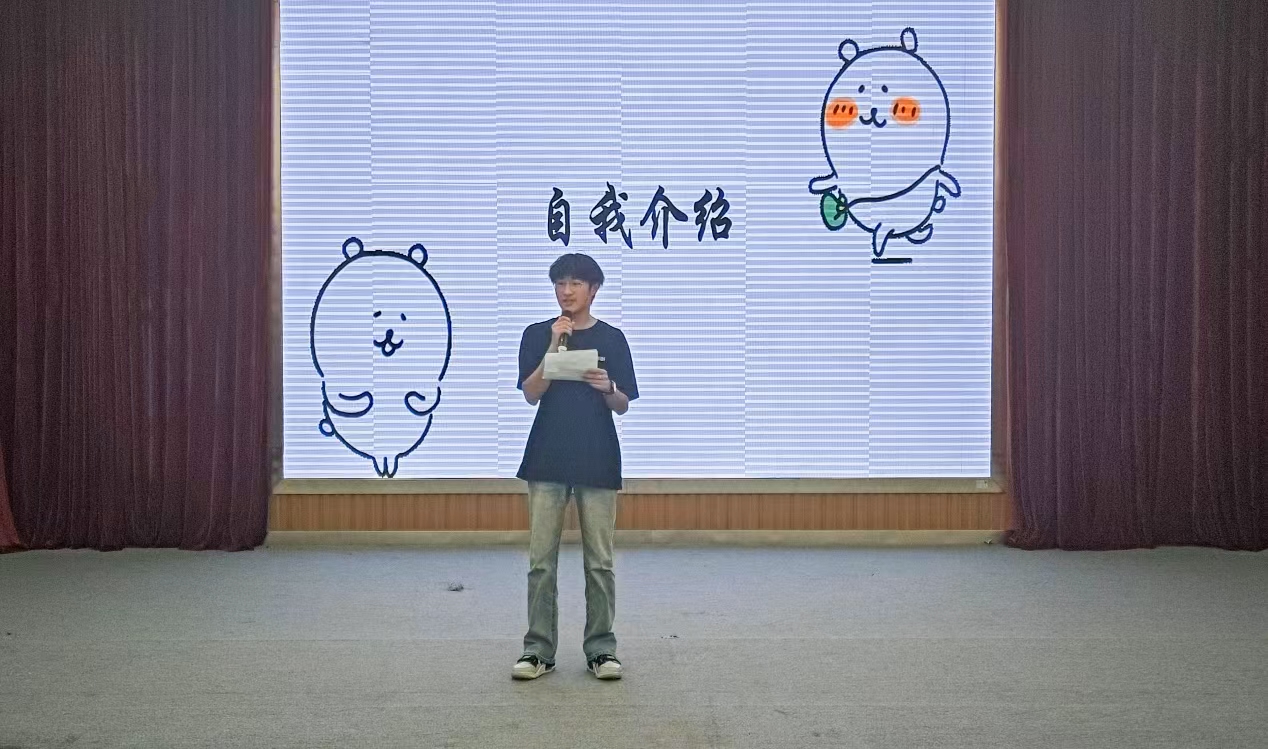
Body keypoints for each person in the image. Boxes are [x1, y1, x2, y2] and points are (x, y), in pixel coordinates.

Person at [511, 253, 639, 681]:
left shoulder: (612, 338)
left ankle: (601, 649)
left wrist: (608, 386)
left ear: (594, 289)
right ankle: (538, 651)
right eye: (560, 283)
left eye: (576, 283)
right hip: (547, 456)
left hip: (597, 456)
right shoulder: (537, 333)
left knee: (599, 561)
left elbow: (622, 404)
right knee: (540, 562)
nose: (567, 291)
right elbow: (531, 393)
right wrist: (554, 345)